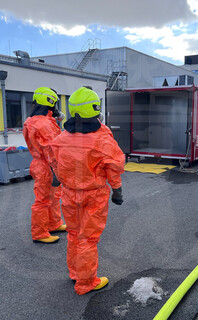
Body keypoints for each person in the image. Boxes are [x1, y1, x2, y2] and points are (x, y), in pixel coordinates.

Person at [48, 86, 125, 295]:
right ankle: (86, 282)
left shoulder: (62, 138)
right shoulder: (102, 139)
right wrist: (117, 190)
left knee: (73, 234)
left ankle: (76, 273)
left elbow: (53, 160)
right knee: (88, 239)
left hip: (69, 193)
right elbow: (114, 167)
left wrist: (57, 178)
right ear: (95, 109)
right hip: (94, 194)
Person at [23, 87, 66, 244]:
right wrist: (56, 171)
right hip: (47, 166)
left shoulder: (38, 121)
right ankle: (40, 233)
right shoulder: (43, 124)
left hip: (44, 165)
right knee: (43, 200)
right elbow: (50, 150)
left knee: (54, 197)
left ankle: (54, 224)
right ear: (50, 103)